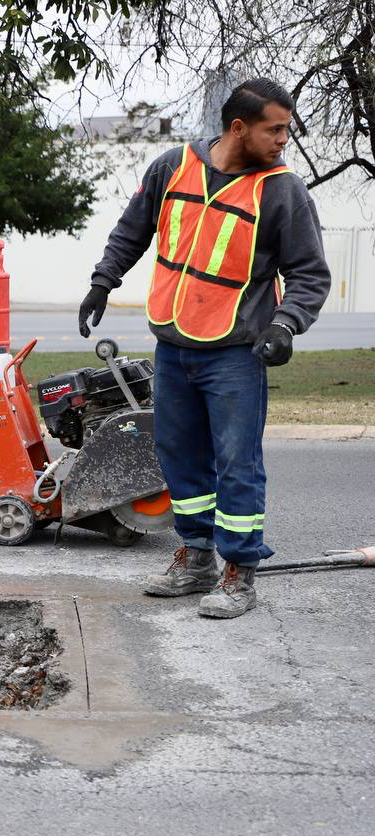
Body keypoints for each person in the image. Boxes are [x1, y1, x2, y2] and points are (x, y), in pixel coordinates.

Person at [82, 78, 331, 619]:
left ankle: (240, 572)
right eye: (275, 129)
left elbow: (309, 274)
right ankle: (197, 560)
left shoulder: (282, 190)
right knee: (178, 457)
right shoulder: (173, 167)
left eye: (286, 129)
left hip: (236, 354)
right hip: (173, 346)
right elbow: (132, 230)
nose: (284, 140)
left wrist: (286, 325)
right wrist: (104, 281)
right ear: (238, 127)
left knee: (237, 463)